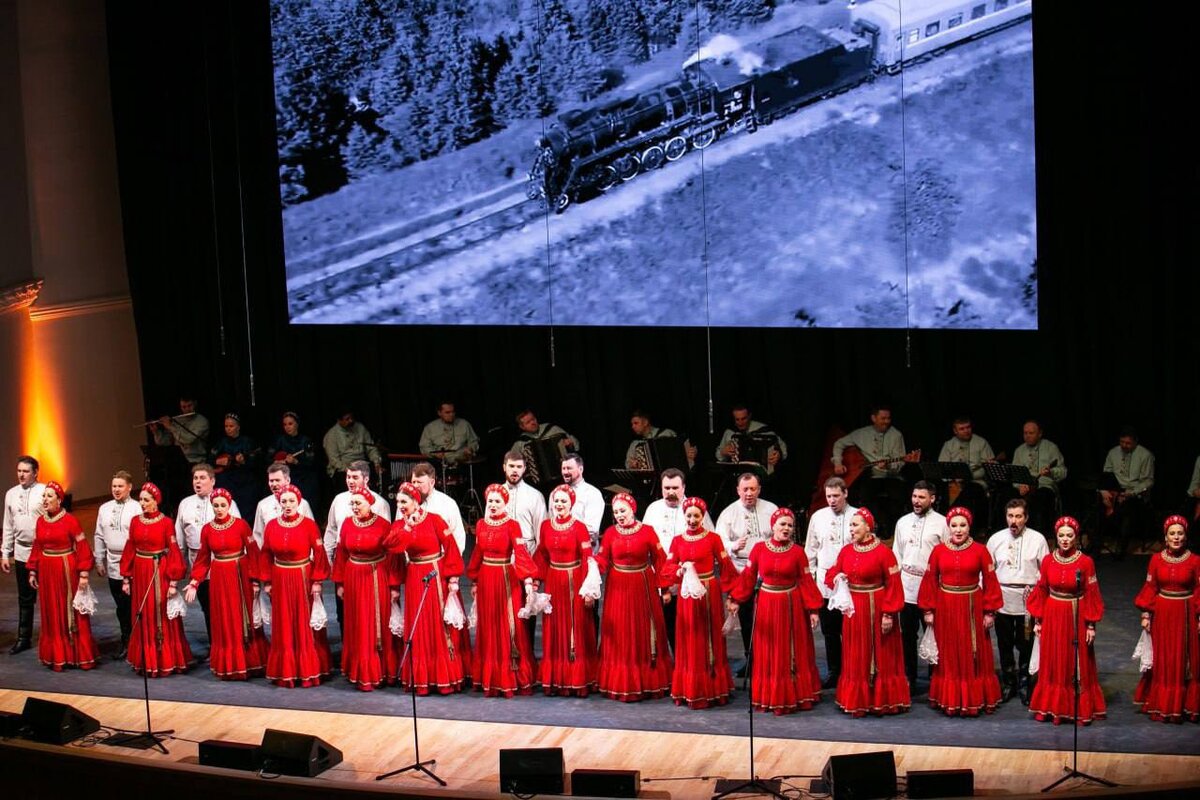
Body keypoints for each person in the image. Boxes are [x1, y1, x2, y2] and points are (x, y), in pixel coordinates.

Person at [729, 508, 823, 714]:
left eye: (790, 525)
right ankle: (769, 693)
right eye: (782, 524)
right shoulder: (759, 549)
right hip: (766, 605)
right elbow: (748, 576)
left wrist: (813, 610)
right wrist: (736, 599)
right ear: (773, 526)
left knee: (791, 649)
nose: (786, 528)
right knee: (768, 648)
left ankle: (793, 693)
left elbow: (806, 581)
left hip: (792, 606)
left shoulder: (799, 552)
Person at [824, 507, 910, 717]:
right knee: (856, 651)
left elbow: (894, 585)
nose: (851, 529)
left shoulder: (884, 553)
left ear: (868, 527)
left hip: (876, 607)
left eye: (855, 525)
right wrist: (837, 577)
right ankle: (858, 699)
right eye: (850, 525)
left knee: (881, 652)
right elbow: (833, 571)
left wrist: (888, 614)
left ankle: (882, 699)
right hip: (854, 610)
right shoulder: (846, 550)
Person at [918, 506, 1002, 716]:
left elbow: (991, 581)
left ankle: (973, 698)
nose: (958, 530)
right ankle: (949, 698)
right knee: (948, 651)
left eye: (962, 525)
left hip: (971, 606)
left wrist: (989, 611)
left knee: (973, 652)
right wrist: (928, 609)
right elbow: (929, 580)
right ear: (948, 527)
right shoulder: (938, 551)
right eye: (954, 525)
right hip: (945, 606)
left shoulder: (981, 551)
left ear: (969, 526)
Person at [390, 482, 470, 694]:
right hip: (415, 575)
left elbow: (451, 546)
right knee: (419, 623)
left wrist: (453, 577)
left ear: (416, 501)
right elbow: (392, 546)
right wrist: (407, 527)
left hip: (435, 574)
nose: (400, 506)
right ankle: (422, 678)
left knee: (437, 623)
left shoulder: (434, 519)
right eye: (398, 502)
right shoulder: (400, 525)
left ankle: (444, 676)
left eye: (404, 501)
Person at [1026, 516, 1106, 725]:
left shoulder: (1086, 562)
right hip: (1053, 614)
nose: (1065, 539)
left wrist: (1090, 625)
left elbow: (1092, 593)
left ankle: (1076, 707)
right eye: (1061, 535)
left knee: (1074, 658)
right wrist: (1039, 620)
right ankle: (1052, 707)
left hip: (1075, 614)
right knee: (1053, 658)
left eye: (1069, 535)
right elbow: (1042, 590)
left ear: (1076, 537)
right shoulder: (1048, 561)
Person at [594, 492, 673, 701]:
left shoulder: (648, 532)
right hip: (618, 586)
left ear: (633, 509)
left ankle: (648, 679)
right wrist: (593, 569)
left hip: (642, 585)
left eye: (623, 511)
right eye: (616, 512)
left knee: (642, 629)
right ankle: (620, 680)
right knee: (620, 630)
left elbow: (660, 559)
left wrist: (664, 588)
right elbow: (602, 558)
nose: (619, 515)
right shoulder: (610, 533)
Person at [183, 488, 268, 680]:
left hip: (240, 576)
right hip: (219, 577)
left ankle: (249, 660)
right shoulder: (207, 529)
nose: (219, 509)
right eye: (216, 505)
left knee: (242, 616)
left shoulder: (240, 525)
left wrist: (255, 581)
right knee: (224, 616)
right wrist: (195, 581)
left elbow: (253, 553)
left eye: (223, 505)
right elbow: (203, 558)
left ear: (229, 505)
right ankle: (230, 662)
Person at [663, 496, 737, 709]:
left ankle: (713, 685)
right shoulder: (677, 540)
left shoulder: (713, 538)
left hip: (708, 591)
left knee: (709, 634)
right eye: (689, 515)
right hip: (687, 594)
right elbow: (668, 567)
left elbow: (726, 566)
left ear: (702, 517)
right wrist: (678, 571)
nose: (692, 519)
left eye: (696, 515)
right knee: (690, 635)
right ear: (684, 516)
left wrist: (731, 595)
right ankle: (690, 686)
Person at [466, 484, 538, 697]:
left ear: (505, 502)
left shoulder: (512, 525)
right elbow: (477, 553)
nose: (494, 505)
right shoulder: (480, 524)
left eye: (498, 501)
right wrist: (475, 581)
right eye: (490, 501)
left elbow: (521, 553)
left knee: (508, 625)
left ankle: (511, 674)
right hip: (487, 577)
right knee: (488, 625)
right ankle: (490, 676)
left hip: (506, 578)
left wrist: (528, 580)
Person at [259, 484, 333, 687]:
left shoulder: (309, 525)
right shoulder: (272, 525)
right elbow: (265, 553)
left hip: (303, 577)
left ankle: (309, 669)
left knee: (303, 620)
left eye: (292, 501)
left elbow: (319, 553)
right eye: (284, 501)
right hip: (280, 577)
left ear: (298, 502)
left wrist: (317, 581)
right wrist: (267, 581)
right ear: (279, 503)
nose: (288, 504)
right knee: (283, 621)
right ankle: (287, 670)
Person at [119, 482, 193, 677]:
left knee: (158, 612)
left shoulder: (166, 523)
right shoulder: (135, 521)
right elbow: (130, 548)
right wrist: (126, 577)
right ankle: (145, 659)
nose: (142, 503)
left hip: (158, 571)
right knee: (142, 611)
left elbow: (174, 552)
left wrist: (174, 581)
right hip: (140, 570)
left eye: (146, 500)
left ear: (156, 501)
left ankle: (163, 658)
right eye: (141, 500)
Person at [331, 486, 400, 691]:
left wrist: (393, 586)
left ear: (370, 503)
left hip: (375, 576)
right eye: (352, 503)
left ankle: (379, 671)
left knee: (373, 621)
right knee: (356, 621)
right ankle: (358, 669)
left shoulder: (383, 525)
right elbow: (341, 553)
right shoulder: (346, 523)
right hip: (353, 577)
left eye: (358, 503)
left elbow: (393, 556)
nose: (354, 507)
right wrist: (340, 582)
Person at [532, 485, 598, 696]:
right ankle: (557, 678)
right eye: (556, 501)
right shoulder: (545, 526)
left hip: (574, 581)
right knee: (554, 626)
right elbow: (541, 555)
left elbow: (588, 559)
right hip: (553, 581)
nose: (559, 505)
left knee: (576, 626)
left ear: (571, 503)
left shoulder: (579, 527)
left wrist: (589, 589)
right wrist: (535, 582)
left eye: (563, 501)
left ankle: (577, 677)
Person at [26, 481, 99, 671]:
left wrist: (83, 573)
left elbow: (82, 547)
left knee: (68, 609)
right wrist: (33, 569)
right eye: (44, 496)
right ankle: (56, 654)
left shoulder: (70, 520)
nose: (45, 499)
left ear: (59, 500)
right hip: (47, 571)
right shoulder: (40, 521)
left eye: (50, 496)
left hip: (66, 570)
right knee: (51, 609)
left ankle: (76, 653)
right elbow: (37, 546)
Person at [1133, 515, 1200, 723]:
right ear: (1165, 536)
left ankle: (1184, 705)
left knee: (1185, 658)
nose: (1176, 537)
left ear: (1186, 536)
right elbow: (1150, 588)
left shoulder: (1195, 561)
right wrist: (1146, 614)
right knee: (1164, 656)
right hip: (1162, 613)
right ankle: (1161, 703)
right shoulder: (1156, 559)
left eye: (1180, 533)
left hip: (1185, 613)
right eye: (1172, 533)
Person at [985, 498, 1047, 704]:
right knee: (1004, 644)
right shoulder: (995, 539)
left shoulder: (1038, 540)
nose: (1014, 520)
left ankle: (1025, 683)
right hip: (1002, 599)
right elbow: (986, 572)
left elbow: (1045, 572)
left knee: (1026, 644)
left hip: (1027, 601)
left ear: (1026, 517)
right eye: (1010, 516)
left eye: (1018, 516)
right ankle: (1008, 683)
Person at [643, 468, 712, 651]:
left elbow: (710, 542)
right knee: (666, 624)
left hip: (690, 579)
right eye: (666, 488)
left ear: (683, 488)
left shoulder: (696, 510)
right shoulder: (653, 509)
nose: (671, 492)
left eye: (675, 487)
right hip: (661, 577)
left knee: (692, 626)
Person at [715, 472, 777, 673]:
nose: (749, 493)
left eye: (753, 489)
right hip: (742, 570)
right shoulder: (728, 513)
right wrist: (733, 545)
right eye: (745, 489)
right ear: (738, 490)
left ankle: (773, 659)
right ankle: (752, 661)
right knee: (748, 618)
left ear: (759, 489)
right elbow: (718, 543)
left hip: (769, 572)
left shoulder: (771, 509)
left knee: (770, 618)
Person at [892, 481, 949, 695]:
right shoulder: (902, 522)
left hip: (931, 588)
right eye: (914, 496)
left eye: (921, 497)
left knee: (935, 634)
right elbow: (897, 553)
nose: (916, 501)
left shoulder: (943, 523)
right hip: (906, 586)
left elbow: (947, 554)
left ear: (932, 499)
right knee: (907, 635)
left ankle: (937, 677)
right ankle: (909, 677)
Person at [175, 463, 242, 641]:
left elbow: (239, 532)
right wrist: (179, 569)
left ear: (212, 481)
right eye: (195, 478)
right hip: (197, 564)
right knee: (207, 607)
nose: (198, 482)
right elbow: (179, 538)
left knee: (227, 606)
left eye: (202, 478)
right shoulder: (185, 504)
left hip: (224, 564)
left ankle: (231, 641)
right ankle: (215, 645)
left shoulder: (226, 501)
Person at [323, 460, 391, 635]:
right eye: (348, 477)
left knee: (370, 613)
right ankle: (350, 652)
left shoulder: (380, 503)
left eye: (355, 477)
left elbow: (388, 541)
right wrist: (329, 561)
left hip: (372, 568)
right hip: (344, 563)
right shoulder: (339, 500)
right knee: (344, 612)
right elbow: (331, 532)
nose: (350, 481)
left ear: (366, 479)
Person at [804, 477, 857, 688]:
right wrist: (813, 580)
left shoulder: (858, 515)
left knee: (852, 630)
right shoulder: (818, 517)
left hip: (852, 584)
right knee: (830, 631)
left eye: (836, 496)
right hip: (825, 585)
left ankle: (854, 670)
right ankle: (835, 671)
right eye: (828, 496)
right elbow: (810, 551)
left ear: (845, 494)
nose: (832, 500)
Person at [832, 404, 911, 537]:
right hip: (868, 476)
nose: (886, 421)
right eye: (883, 418)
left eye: (888, 418)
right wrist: (838, 463)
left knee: (898, 496)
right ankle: (876, 525)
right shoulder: (861, 434)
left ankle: (891, 530)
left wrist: (888, 466)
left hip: (890, 476)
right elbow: (839, 444)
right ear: (873, 418)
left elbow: (900, 462)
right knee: (863, 495)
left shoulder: (896, 435)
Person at [94, 469, 140, 658]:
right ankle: (126, 640)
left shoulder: (137, 508)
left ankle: (138, 644)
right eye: (114, 486)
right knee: (121, 606)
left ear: (129, 487)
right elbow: (98, 535)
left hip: (134, 564)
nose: (116, 489)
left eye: (120, 486)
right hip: (113, 563)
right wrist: (99, 559)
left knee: (133, 605)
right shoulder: (104, 508)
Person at [2, 455, 45, 653]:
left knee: (48, 597)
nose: (21, 474)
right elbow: (8, 525)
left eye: (26, 471)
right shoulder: (11, 494)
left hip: (44, 553)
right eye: (19, 470)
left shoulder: (45, 491)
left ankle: (53, 638)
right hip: (21, 553)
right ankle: (23, 638)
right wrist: (5, 553)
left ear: (35, 472)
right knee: (25, 598)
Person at [1100, 426, 1155, 558]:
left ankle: (1121, 546)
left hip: (1134, 492)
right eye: (1122, 442)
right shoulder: (1113, 453)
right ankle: (1096, 544)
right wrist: (1104, 491)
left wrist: (1131, 493)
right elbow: (1106, 474)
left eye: (1128, 443)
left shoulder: (1145, 455)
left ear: (1135, 442)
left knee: (1127, 509)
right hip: (1115, 490)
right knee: (1098, 504)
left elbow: (1148, 481)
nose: (1124, 445)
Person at [1008, 420, 1067, 535]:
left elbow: (1063, 472)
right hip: (1024, 487)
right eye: (1025, 433)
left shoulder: (1051, 447)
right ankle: (1011, 533)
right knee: (1007, 496)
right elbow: (1014, 475)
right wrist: (1019, 486)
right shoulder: (1019, 451)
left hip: (1044, 486)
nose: (1027, 436)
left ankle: (1039, 535)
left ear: (1039, 434)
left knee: (1040, 498)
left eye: (1031, 433)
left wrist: (1051, 472)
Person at [936, 416, 995, 528]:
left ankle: (961, 522)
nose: (966, 431)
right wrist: (954, 478)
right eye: (962, 429)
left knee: (971, 489)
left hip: (977, 482)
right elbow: (942, 469)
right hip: (954, 482)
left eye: (968, 427)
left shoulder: (981, 442)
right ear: (955, 431)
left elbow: (989, 469)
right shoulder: (949, 445)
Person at [210, 412, 262, 518]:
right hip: (227, 480)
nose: (228, 429)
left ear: (238, 427)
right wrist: (218, 461)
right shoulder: (222, 442)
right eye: (226, 426)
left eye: (231, 426)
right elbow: (210, 459)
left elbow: (257, 461)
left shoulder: (247, 442)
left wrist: (244, 462)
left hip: (245, 482)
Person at [251, 462, 315, 546]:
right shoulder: (263, 505)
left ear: (288, 480)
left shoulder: (303, 504)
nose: (274, 484)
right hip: (273, 556)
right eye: (271, 481)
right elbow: (258, 535)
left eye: (277, 480)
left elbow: (312, 533)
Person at [267, 411, 319, 509]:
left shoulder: (306, 441)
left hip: (304, 478)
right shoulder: (279, 440)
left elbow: (312, 462)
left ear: (297, 424)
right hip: (286, 478)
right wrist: (278, 462)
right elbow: (268, 459)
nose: (287, 427)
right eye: (285, 424)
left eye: (290, 424)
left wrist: (296, 462)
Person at [715, 404, 787, 475]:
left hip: (762, 476)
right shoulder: (729, 433)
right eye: (737, 419)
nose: (740, 423)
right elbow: (719, 456)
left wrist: (778, 455)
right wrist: (723, 452)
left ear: (749, 416)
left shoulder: (763, 430)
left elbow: (783, 449)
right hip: (738, 476)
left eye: (743, 419)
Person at [323, 409, 383, 493]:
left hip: (362, 465)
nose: (351, 421)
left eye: (351, 418)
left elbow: (371, 448)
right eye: (347, 419)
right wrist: (351, 469)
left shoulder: (360, 428)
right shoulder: (332, 435)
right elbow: (334, 461)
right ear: (339, 420)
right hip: (343, 470)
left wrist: (377, 462)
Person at [411, 462, 466, 552]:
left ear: (432, 482)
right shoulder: (405, 504)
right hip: (414, 563)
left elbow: (458, 538)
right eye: (413, 482)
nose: (415, 486)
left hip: (441, 561)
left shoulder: (448, 504)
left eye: (420, 482)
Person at [625, 409, 696, 469]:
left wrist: (690, 454)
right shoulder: (635, 444)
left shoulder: (667, 434)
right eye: (632, 424)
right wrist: (632, 465)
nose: (633, 427)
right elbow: (627, 464)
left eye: (636, 423)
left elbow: (684, 455)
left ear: (645, 422)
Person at [149, 394, 210, 464]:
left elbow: (188, 439)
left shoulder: (202, 421)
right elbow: (166, 442)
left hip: (196, 461)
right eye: (184, 407)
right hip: (178, 461)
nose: (187, 409)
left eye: (189, 406)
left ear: (195, 404)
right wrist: (156, 432)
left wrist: (170, 427)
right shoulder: (177, 420)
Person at [559, 454, 603, 547]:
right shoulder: (556, 493)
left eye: (569, 468)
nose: (565, 472)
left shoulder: (592, 493)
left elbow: (592, 531)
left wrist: (566, 538)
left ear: (581, 469)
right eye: (563, 468)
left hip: (584, 550)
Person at [511, 408, 579, 457]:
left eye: (533, 419)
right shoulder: (520, 443)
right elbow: (512, 461)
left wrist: (570, 443)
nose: (533, 423)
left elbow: (576, 446)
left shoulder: (552, 429)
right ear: (522, 427)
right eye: (528, 422)